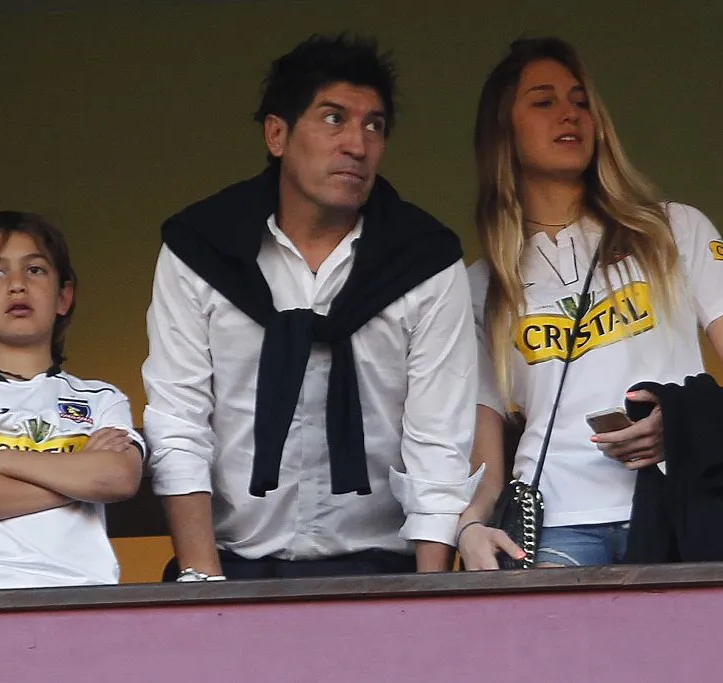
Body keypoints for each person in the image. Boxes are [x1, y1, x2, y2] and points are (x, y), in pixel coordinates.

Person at [142, 34, 480, 581]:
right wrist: (202, 581)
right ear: (277, 134)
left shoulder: (424, 261)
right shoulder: (202, 250)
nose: (357, 143)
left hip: (382, 568)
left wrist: (429, 594)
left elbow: (438, 441)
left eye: (374, 125)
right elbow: (178, 421)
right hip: (230, 566)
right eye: (333, 118)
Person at [456, 37, 723, 569]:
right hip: (555, 523)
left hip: (676, 507)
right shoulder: (479, 287)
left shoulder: (675, 229)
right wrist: (470, 524)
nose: (570, 114)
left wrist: (682, 427)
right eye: (544, 101)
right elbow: (486, 458)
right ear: (503, 133)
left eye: (581, 101)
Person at [0, 211, 145, 591]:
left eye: (35, 270)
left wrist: (2, 461)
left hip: (83, 592)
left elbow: (118, 477)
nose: (17, 286)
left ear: (63, 297)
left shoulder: (101, 398)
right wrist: (78, 478)